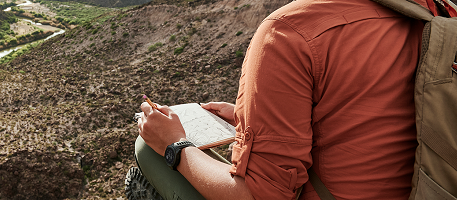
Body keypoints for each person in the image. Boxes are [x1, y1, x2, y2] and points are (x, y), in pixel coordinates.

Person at [134, 0, 431, 199]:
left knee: (147, 148)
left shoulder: (290, 30)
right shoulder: (438, 15)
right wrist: (248, 114)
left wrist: (175, 145)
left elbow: (260, 196)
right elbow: (368, 122)